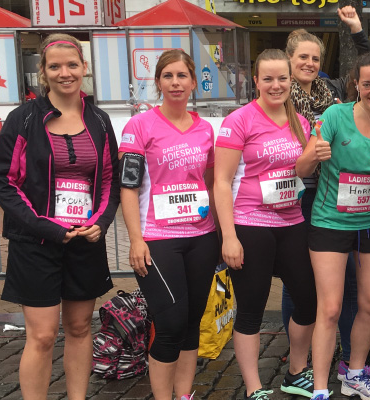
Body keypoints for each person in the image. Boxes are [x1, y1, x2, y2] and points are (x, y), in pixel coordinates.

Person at [0, 33, 119, 400]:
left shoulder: (100, 120)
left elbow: (109, 177)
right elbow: (4, 180)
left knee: (79, 328)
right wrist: (44, 226)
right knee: (43, 335)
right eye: (55, 66)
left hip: (85, 240)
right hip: (36, 241)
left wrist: (101, 222)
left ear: (84, 69)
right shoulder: (23, 119)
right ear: (43, 73)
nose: (65, 73)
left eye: (72, 65)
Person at [281, 7, 370, 382]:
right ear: (287, 60)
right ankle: (299, 364)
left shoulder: (328, 93)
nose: (310, 63)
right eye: (302, 58)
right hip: (296, 198)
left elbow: (369, 71)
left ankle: (346, 359)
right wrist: (311, 153)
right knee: (302, 285)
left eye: (315, 57)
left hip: (332, 196)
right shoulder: (278, 95)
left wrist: (359, 30)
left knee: (352, 292)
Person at [298, 51, 370, 400]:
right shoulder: (335, 115)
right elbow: (301, 170)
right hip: (330, 222)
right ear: (355, 86)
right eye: (367, 84)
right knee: (329, 308)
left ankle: (355, 373)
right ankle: (319, 388)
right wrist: (313, 154)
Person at [212, 49, 319, 400]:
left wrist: (311, 156)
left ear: (291, 81)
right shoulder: (239, 120)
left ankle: (296, 371)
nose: (276, 85)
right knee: (253, 307)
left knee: (307, 299)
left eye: (282, 78)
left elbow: (302, 172)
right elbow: (222, 181)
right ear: (255, 81)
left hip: (291, 220)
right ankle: (254, 386)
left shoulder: (299, 122)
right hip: (250, 223)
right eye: (268, 79)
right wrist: (229, 236)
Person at [119, 49, 219, 400]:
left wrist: (222, 234)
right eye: (168, 76)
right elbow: (128, 187)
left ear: (193, 82)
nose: (175, 83)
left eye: (182, 76)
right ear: (158, 81)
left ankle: (183, 395)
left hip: (202, 236)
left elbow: (209, 182)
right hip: (157, 239)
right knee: (171, 323)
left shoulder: (206, 128)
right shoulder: (139, 126)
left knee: (192, 322)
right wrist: (135, 240)